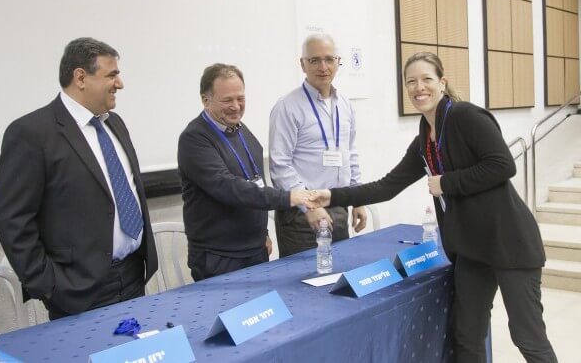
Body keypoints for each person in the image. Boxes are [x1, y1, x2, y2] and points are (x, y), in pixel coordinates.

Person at [316, 52, 557, 363]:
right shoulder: (424, 139)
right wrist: (331, 196)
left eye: (427, 79)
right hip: (473, 250)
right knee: (467, 335)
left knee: (527, 335)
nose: (419, 87)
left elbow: (502, 165)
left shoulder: (466, 117)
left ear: (442, 82)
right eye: (411, 82)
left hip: (509, 243)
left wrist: (446, 183)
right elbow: (387, 186)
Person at [0, 37, 157, 320]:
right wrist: (50, 287)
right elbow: (13, 221)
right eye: (112, 74)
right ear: (80, 77)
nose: (120, 84)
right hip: (78, 291)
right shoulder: (32, 133)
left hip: (132, 277)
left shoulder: (114, 124)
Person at [178, 63, 317, 281]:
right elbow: (229, 187)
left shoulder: (241, 130)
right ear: (206, 101)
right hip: (219, 257)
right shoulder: (194, 139)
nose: (236, 106)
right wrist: (289, 197)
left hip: (255, 249)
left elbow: (255, 181)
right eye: (227, 100)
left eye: (240, 98)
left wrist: (264, 233)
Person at [269, 34, 367, 257]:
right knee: (302, 285)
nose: (323, 67)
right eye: (314, 60)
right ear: (302, 64)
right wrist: (311, 206)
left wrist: (358, 198)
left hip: (338, 206)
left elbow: (350, 154)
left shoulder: (345, 104)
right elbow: (279, 165)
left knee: (339, 278)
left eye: (329, 59)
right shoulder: (287, 106)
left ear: (338, 62)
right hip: (301, 216)